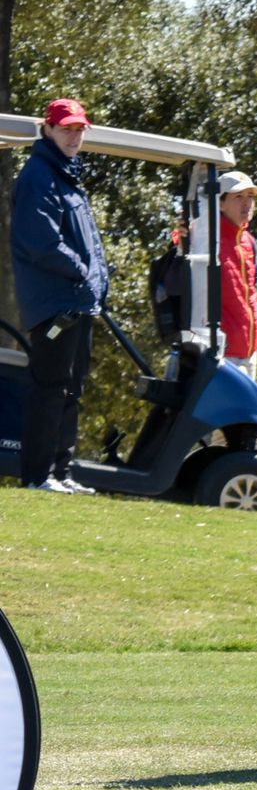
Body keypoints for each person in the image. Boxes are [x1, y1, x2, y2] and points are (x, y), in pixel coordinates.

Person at [8, 98, 107, 496]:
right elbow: (42, 241)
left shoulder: (67, 175)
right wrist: (83, 272)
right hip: (56, 305)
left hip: (77, 303)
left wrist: (97, 282)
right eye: (66, 129)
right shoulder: (39, 175)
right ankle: (38, 476)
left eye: (79, 129)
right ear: (47, 128)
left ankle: (61, 473)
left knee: (70, 389)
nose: (74, 136)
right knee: (49, 387)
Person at [211, 171, 257, 378]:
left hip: (250, 354)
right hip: (223, 356)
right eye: (238, 196)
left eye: (250, 196)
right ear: (220, 203)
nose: (247, 203)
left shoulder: (249, 241)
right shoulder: (206, 239)